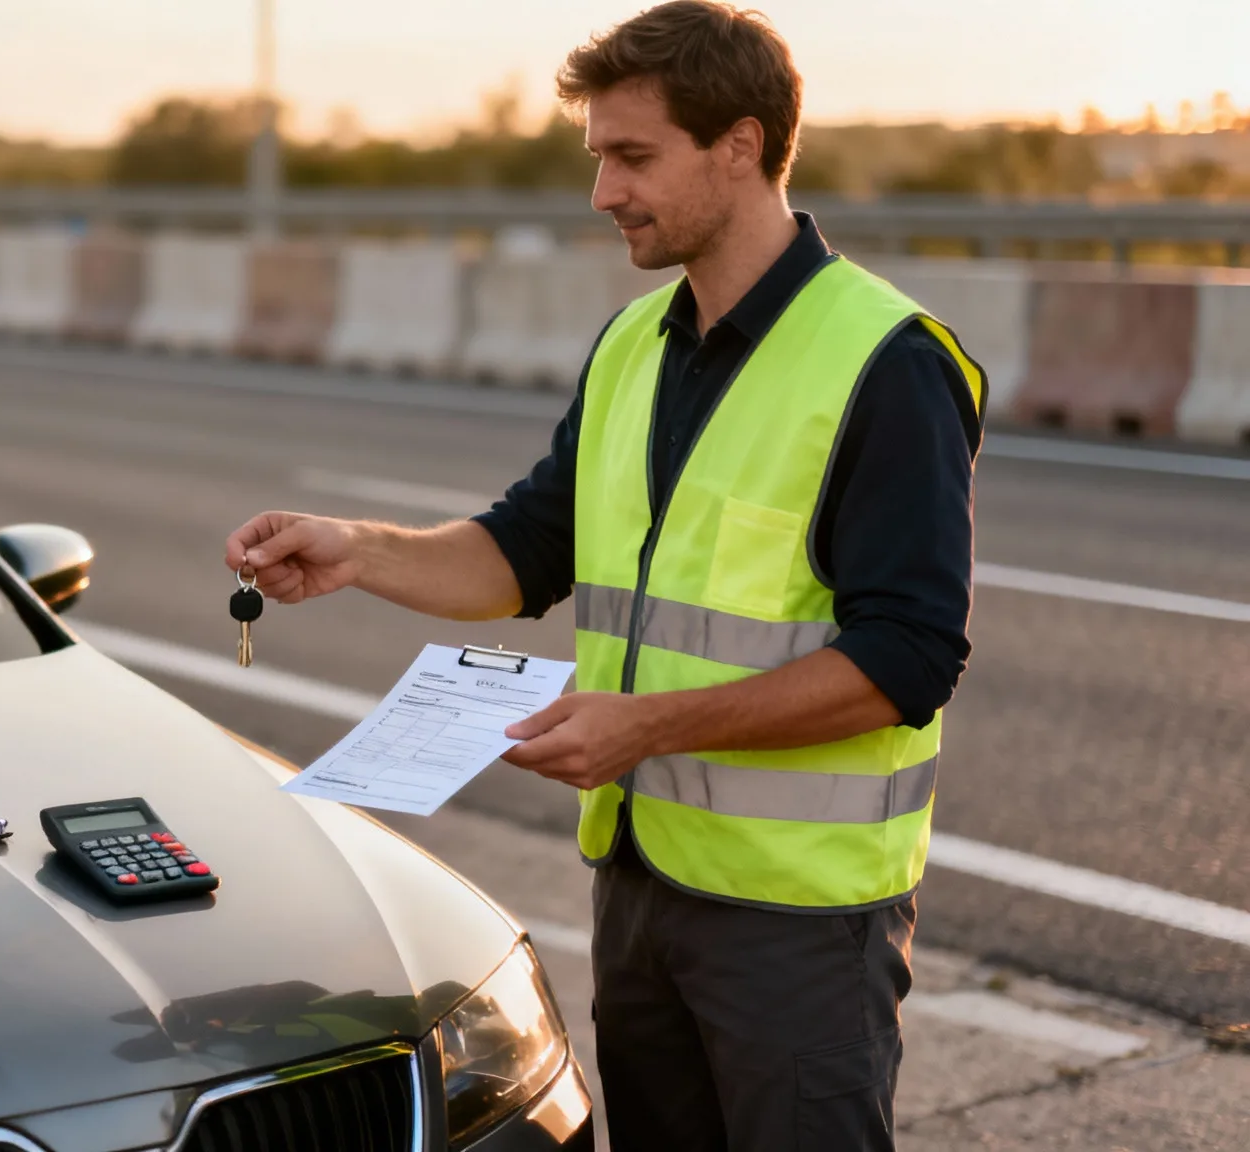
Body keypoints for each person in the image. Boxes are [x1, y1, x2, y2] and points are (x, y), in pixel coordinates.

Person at [223, 3, 984, 1149]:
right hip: (637, 887)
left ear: (737, 146)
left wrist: (646, 727)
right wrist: (358, 551)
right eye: (596, 157)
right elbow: (527, 549)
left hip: (796, 919)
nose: (601, 192)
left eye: (631, 156)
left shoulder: (885, 362)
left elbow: (907, 658)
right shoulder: (632, 343)